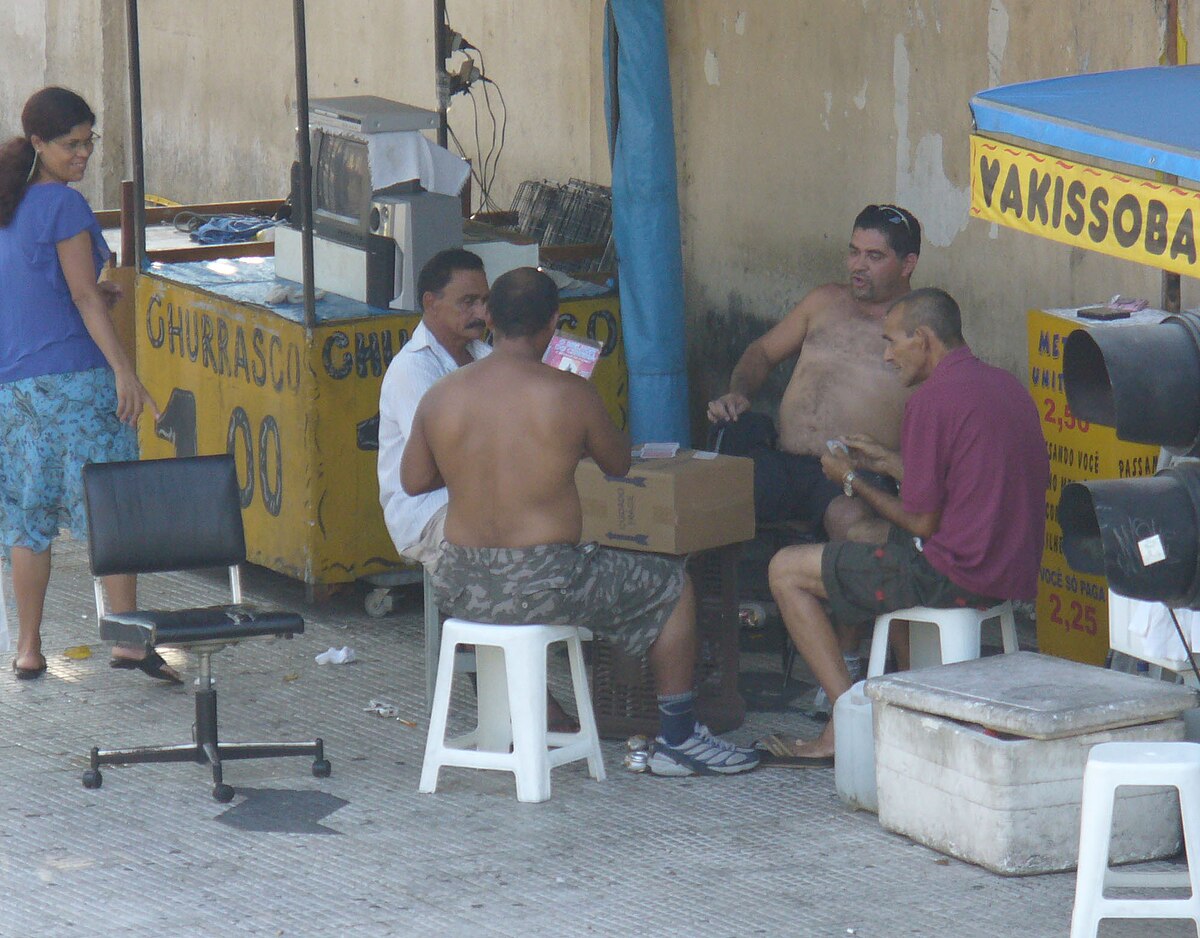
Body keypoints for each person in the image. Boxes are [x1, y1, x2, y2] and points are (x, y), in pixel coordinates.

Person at [402, 267, 759, 776]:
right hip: (547, 581)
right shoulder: (568, 392)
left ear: (490, 317)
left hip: (461, 582)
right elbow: (618, 464)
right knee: (673, 586)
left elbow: (415, 480)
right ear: (554, 324)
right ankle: (678, 737)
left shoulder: (442, 394)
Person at [761, 288, 1049, 766]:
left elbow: (920, 519)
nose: (887, 356)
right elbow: (959, 479)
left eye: (892, 342)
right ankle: (912, 701)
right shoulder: (1004, 385)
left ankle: (845, 717)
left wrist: (850, 478)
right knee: (859, 537)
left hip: (954, 574)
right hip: (1009, 570)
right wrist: (887, 461)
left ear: (922, 339)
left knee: (784, 570)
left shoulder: (930, 401)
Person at [0, 87, 173, 682]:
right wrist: (125, 370)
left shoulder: (8, 204)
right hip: (75, 383)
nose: (83, 154)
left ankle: (26, 648)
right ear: (40, 144)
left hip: (15, 390)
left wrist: (93, 297)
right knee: (110, 505)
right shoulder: (63, 206)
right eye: (71, 144)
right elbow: (78, 293)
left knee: (29, 520)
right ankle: (126, 639)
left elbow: (38, 292)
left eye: (88, 141)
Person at [376, 248, 576, 731]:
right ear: (430, 303)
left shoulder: (488, 356)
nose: (481, 313)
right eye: (467, 302)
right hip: (429, 512)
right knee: (494, 555)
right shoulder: (414, 369)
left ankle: (528, 688)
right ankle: (516, 701)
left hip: (489, 499)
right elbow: (442, 462)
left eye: (485, 301)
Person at [707, 204, 922, 543]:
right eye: (853, 252)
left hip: (848, 475)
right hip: (783, 460)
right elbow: (761, 352)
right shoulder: (824, 300)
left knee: (850, 524)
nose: (858, 266)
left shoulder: (920, 329)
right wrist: (738, 392)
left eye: (874, 257)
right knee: (708, 492)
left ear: (907, 264)